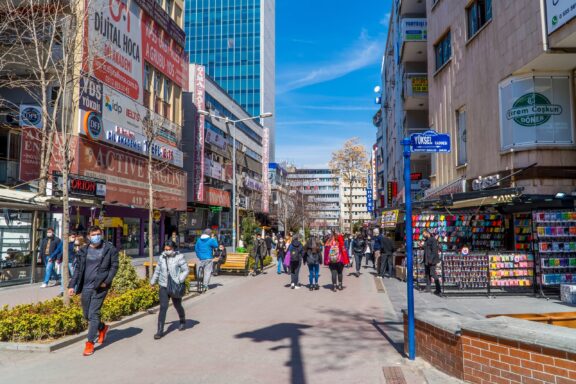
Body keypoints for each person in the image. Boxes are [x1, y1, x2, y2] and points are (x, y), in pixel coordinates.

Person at [68, 225, 119, 356]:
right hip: (85, 287)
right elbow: (78, 270)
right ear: (89, 236)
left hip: (100, 286)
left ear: (101, 234)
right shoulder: (84, 250)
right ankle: (102, 328)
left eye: (98, 234)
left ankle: (90, 343)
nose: (96, 236)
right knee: (86, 315)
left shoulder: (109, 249)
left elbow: (114, 267)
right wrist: (71, 285)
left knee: (93, 313)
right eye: (93, 234)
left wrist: (106, 282)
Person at [150, 240, 189, 339]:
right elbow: (157, 270)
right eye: (165, 249)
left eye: (169, 249)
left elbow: (186, 270)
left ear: (173, 249)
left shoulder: (179, 257)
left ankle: (182, 320)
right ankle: (159, 331)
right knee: (163, 307)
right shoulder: (162, 257)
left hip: (175, 285)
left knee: (177, 305)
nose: (167, 251)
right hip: (163, 285)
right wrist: (152, 282)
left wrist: (180, 279)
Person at [423, 230, 441, 295]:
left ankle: (438, 289)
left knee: (433, 274)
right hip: (426, 260)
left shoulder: (433, 240)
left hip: (431, 260)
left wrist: (430, 259)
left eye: (424, 233)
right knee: (427, 274)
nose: (423, 235)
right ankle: (428, 288)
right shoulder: (426, 240)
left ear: (427, 233)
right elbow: (426, 249)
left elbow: (434, 251)